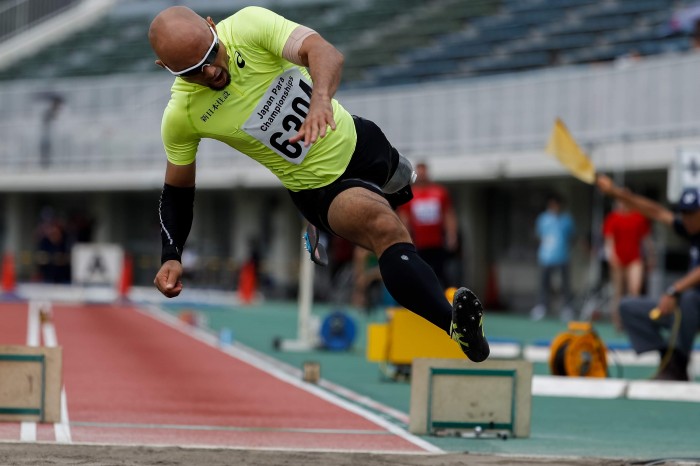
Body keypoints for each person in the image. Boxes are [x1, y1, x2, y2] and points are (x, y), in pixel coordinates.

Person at [148, 6, 489, 362]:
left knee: (403, 185)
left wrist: (320, 100)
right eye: (193, 72)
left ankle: (318, 230)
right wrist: (171, 255)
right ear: (166, 69)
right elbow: (178, 190)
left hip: (363, 142)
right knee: (384, 227)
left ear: (212, 26)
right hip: (321, 187)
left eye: (211, 54)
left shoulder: (249, 25)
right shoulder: (182, 116)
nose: (212, 72)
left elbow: (325, 52)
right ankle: (457, 329)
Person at [597, 174, 699, 381]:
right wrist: (615, 192)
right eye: (684, 213)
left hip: (693, 305)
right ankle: (668, 360)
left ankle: (679, 362)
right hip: (684, 310)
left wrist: (674, 290)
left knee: (688, 299)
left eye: (693, 213)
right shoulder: (689, 230)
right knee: (628, 306)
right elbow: (656, 211)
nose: (686, 218)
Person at [397, 162, 459, 288]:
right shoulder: (410, 194)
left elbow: (448, 214)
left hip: (437, 243)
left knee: (442, 273)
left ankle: (446, 300)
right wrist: (406, 239)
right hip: (418, 244)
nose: (422, 175)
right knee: (419, 274)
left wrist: (452, 235)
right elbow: (404, 219)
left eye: (423, 172)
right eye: (419, 172)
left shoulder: (439, 192)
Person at [602, 199, 654, 331]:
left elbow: (646, 239)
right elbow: (609, 240)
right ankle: (618, 322)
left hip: (634, 258)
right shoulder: (613, 218)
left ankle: (633, 322)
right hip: (618, 258)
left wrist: (652, 256)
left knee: (634, 290)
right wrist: (612, 257)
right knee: (619, 291)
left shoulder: (638, 217)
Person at [531, 193, 576, 321]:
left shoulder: (567, 219)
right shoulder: (543, 218)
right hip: (545, 256)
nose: (554, 206)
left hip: (562, 256)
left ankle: (567, 308)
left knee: (565, 284)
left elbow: (572, 237)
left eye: (556, 204)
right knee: (544, 284)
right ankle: (542, 306)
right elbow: (539, 236)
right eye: (552, 204)